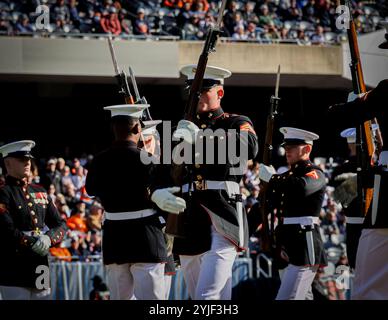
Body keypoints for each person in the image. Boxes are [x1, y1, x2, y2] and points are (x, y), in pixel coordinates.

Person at [151, 65, 259, 300]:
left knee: (205, 296)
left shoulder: (234, 122)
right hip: (189, 220)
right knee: (208, 296)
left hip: (221, 214)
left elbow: (249, 147)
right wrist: (157, 192)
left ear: (219, 93)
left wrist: (200, 138)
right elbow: (163, 170)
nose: (195, 95)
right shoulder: (181, 128)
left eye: (202, 91)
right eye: (192, 91)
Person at [85, 104, 179, 300]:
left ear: (113, 128)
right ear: (138, 129)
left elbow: (91, 190)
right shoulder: (150, 161)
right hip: (145, 236)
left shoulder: (98, 161)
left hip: (115, 236)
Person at [329, 78, 388, 299]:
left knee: (366, 283)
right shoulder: (344, 168)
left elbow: (338, 115)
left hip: (375, 218)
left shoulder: (374, 164)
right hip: (355, 225)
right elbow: (341, 196)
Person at [259, 127, 328, 300]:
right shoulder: (286, 177)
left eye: (293, 146)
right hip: (285, 245)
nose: (287, 150)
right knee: (303, 297)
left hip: (304, 244)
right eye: (286, 146)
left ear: (307, 149)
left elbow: (302, 187)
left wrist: (273, 179)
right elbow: (265, 205)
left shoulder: (315, 173)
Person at [0, 140, 67, 300]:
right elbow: (6, 229)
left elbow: (60, 224)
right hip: (13, 265)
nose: (27, 162)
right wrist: (34, 242)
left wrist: (48, 238)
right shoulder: (4, 193)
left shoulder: (40, 191)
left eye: (28, 159)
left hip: (40, 265)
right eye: (22, 160)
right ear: (8, 164)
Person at [331, 125, 379, 270]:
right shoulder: (343, 170)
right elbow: (340, 196)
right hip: (359, 228)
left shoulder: (374, 167)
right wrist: (361, 178)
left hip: (367, 228)